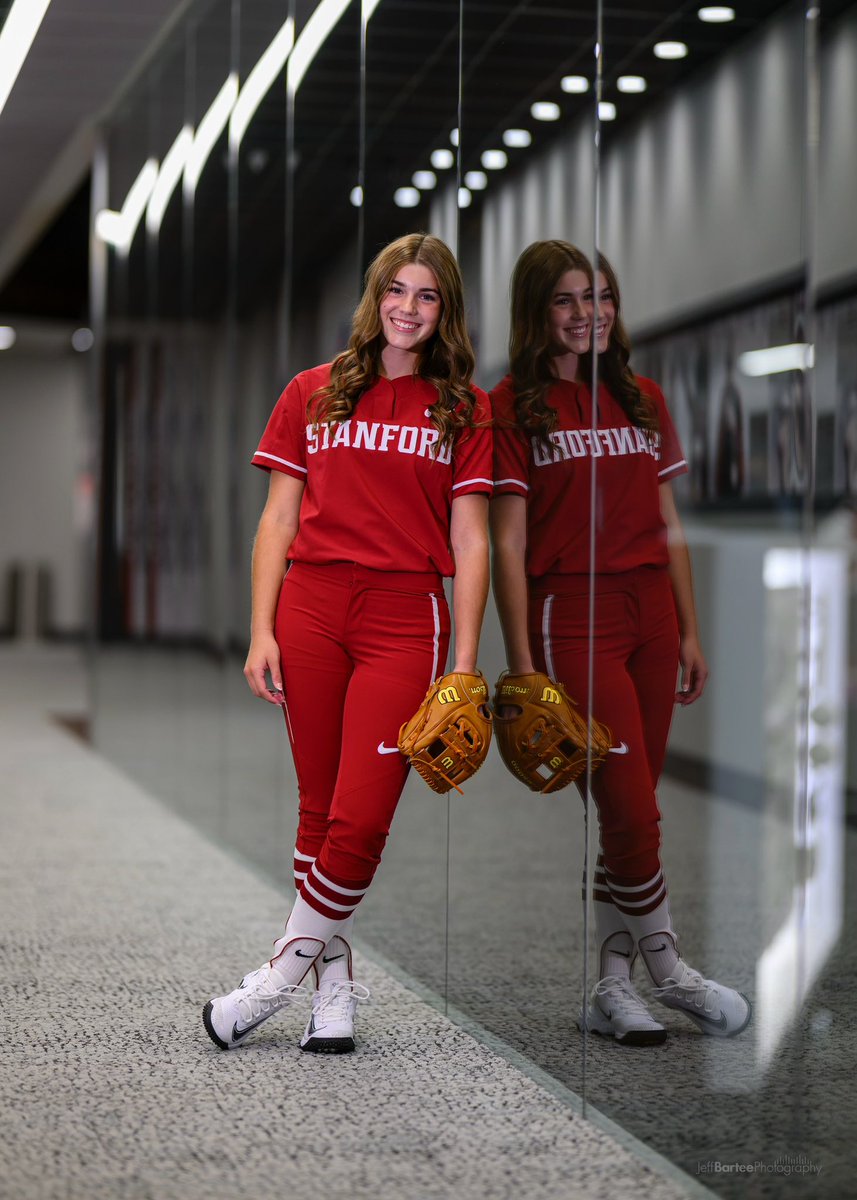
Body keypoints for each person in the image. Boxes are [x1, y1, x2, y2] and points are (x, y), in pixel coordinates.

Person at [204, 233, 492, 1053]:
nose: (408, 308)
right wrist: (262, 627)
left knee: (361, 819)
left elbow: (472, 541)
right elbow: (278, 519)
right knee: (319, 809)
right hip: (312, 607)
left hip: (407, 615)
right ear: (375, 297)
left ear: (446, 311)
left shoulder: (464, 408)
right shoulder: (312, 391)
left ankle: (276, 978)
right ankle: (335, 990)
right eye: (396, 290)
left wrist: (465, 665)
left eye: (427, 295)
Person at [490, 240, 751, 1045]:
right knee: (631, 808)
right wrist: (522, 668)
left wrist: (690, 631)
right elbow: (504, 542)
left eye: (599, 296)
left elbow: (668, 526)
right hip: (569, 615)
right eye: (567, 300)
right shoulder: (510, 405)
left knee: (624, 812)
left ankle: (610, 990)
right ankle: (667, 969)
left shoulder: (642, 398)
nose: (587, 314)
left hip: (650, 615)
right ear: (538, 312)